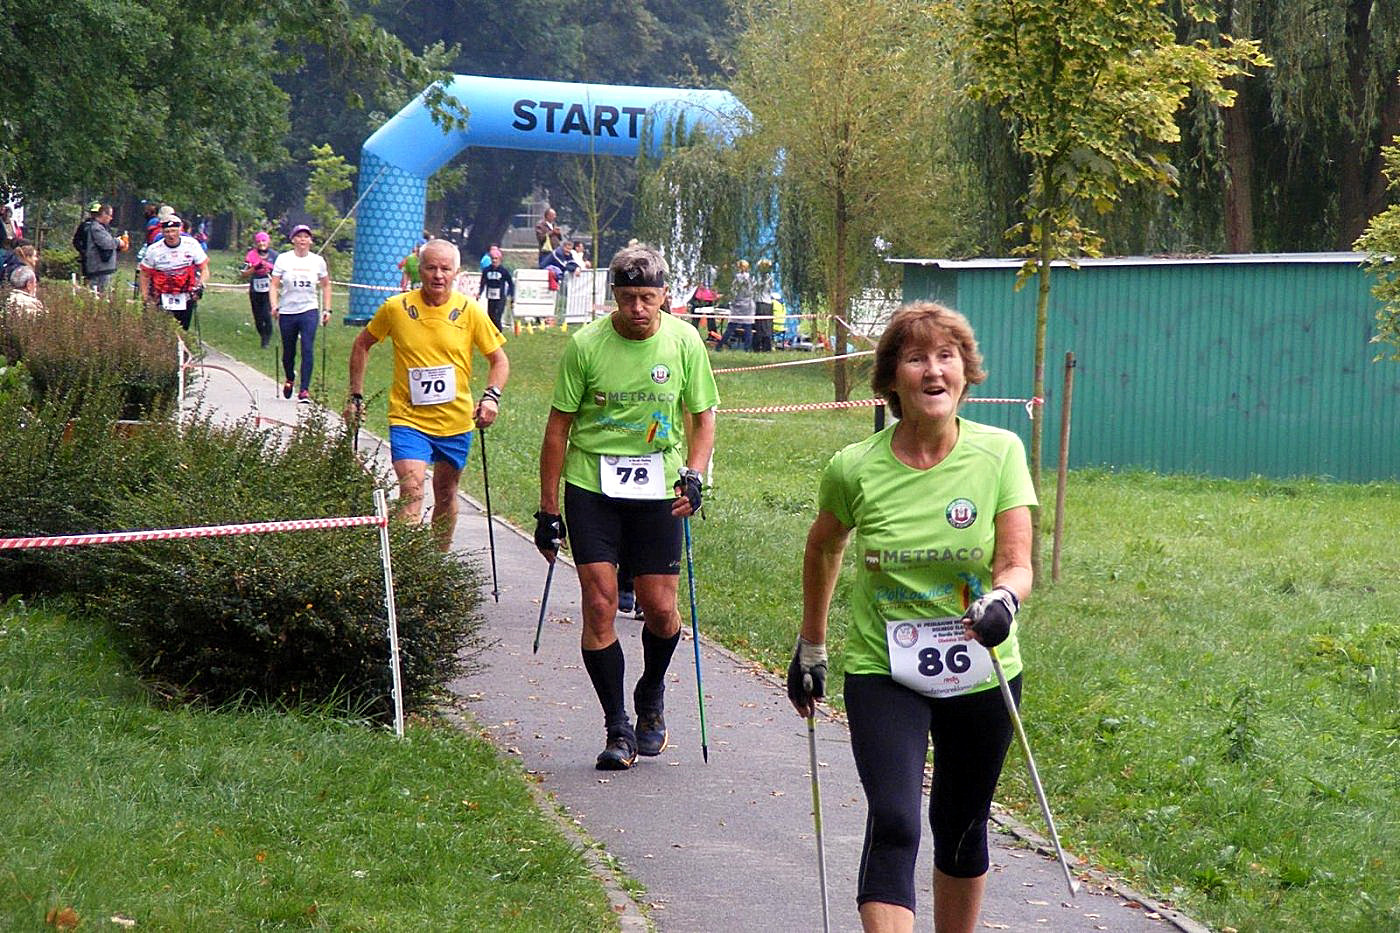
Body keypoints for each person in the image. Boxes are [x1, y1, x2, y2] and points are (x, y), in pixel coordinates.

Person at [787, 301, 1036, 933]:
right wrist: (810, 647)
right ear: (892, 378)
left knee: (960, 826)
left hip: (981, 669)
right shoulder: (854, 467)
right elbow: (824, 545)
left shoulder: (1000, 452)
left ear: (964, 372)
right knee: (896, 821)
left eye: (945, 357)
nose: (933, 371)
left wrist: (1002, 601)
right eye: (916, 357)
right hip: (885, 670)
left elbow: (1016, 561)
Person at [535, 243, 718, 771]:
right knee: (600, 603)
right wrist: (549, 510)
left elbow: (702, 418)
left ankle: (651, 691)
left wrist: (696, 475)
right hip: (593, 486)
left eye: (648, 297)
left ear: (665, 296)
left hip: (660, 488)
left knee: (660, 610)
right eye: (628, 297)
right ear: (612, 296)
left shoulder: (684, 342)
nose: (638, 309)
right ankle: (617, 726)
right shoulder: (586, 345)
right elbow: (557, 430)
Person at [346, 238, 509, 550]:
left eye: (445, 269)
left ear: (456, 272)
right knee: (412, 491)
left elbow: (499, 360)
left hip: (455, 421)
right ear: (418, 269)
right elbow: (361, 344)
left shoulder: (469, 311)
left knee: (446, 493)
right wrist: (355, 396)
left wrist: (491, 396)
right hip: (408, 419)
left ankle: (437, 566)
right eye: (431, 267)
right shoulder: (396, 308)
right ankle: (407, 570)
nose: (438, 275)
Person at [269, 224, 332, 403]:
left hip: (309, 309)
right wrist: (274, 305)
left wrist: (327, 309)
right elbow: (274, 285)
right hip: (288, 310)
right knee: (288, 351)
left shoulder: (317, 261)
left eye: (306, 237)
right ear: (293, 240)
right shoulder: (283, 259)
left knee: (307, 348)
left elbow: (326, 285)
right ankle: (290, 377)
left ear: (311, 241)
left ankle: (304, 390)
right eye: (299, 237)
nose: (303, 240)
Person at [138, 216, 209, 330]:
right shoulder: (154, 250)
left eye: (174, 231)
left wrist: (200, 286)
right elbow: (145, 274)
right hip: (161, 294)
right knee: (159, 329)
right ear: (162, 231)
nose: (171, 235)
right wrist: (145, 297)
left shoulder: (192, 244)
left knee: (182, 329)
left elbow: (204, 269)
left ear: (180, 230)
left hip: (185, 293)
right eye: (167, 231)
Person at [73, 202, 128, 293]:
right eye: (110, 215)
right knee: (97, 295)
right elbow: (107, 243)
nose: (111, 218)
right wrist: (119, 242)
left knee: (103, 295)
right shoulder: (96, 228)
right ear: (103, 214)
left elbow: (109, 241)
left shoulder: (104, 227)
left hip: (104, 269)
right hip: (98, 269)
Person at [240, 231, 279, 348]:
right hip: (255, 288)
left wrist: (270, 268)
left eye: (264, 241)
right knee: (258, 317)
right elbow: (243, 274)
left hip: (269, 288)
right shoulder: (251, 255)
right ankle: (262, 334)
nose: (261, 243)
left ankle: (266, 340)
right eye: (259, 241)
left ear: (268, 242)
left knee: (266, 314)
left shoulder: (275, 256)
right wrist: (255, 268)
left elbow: (280, 273)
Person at [715, 259, 754, 351]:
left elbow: (733, 291)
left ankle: (719, 345)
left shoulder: (737, 278)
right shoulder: (752, 278)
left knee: (731, 327)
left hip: (738, 305)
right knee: (748, 327)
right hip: (748, 306)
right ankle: (747, 348)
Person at [477, 246, 514, 332]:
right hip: (491, 297)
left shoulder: (503, 271)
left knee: (497, 316)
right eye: (492, 258)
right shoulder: (486, 270)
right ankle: (493, 334)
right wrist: (480, 292)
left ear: (500, 259)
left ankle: (498, 333)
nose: (494, 261)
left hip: (500, 297)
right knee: (491, 316)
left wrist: (511, 295)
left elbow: (511, 283)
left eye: (496, 259)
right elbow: (483, 282)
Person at [752, 258, 774, 352]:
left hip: (764, 303)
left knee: (765, 325)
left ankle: (766, 347)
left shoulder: (768, 277)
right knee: (759, 325)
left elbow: (761, 287)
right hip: (761, 303)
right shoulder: (758, 277)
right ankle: (758, 346)